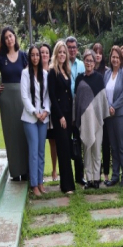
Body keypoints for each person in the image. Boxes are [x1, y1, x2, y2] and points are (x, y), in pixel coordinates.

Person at [0, 26, 28, 180]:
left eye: (11, 36)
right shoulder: (0, 57)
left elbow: (31, 76)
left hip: (22, 98)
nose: (9, 39)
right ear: (4, 40)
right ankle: (15, 172)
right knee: (10, 135)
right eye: (6, 37)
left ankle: (26, 171)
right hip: (6, 99)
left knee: (23, 132)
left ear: (15, 37)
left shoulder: (23, 56)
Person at [75, 49, 110, 189]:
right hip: (84, 120)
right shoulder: (79, 78)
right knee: (87, 150)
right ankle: (88, 179)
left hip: (97, 119)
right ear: (84, 61)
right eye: (87, 60)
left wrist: (100, 115)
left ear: (95, 62)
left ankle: (97, 178)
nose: (89, 63)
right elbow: (77, 102)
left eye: (91, 60)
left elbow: (102, 99)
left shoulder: (99, 78)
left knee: (96, 149)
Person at [21, 46, 50, 196]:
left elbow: (47, 96)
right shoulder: (25, 74)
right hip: (30, 118)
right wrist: (35, 112)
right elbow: (25, 97)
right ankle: (33, 184)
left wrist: (45, 112)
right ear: (29, 57)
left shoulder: (45, 74)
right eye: (32, 55)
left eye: (37, 55)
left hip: (43, 118)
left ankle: (40, 181)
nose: (35, 57)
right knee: (33, 151)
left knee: (40, 152)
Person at [47, 41, 76, 194]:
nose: (63, 55)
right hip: (60, 117)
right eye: (60, 52)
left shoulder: (66, 71)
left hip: (68, 114)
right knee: (63, 150)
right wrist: (60, 117)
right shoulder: (53, 72)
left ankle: (69, 183)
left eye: (64, 52)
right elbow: (52, 96)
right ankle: (66, 186)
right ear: (56, 54)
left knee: (67, 149)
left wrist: (70, 116)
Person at [103, 46, 123, 186]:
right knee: (113, 146)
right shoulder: (107, 74)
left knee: (121, 146)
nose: (115, 59)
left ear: (121, 59)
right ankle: (115, 176)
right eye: (113, 57)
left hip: (120, 114)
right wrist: (108, 107)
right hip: (109, 115)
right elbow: (103, 93)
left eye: (117, 57)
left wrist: (114, 106)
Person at [66, 36, 85, 183]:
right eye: (69, 47)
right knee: (66, 143)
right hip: (66, 108)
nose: (71, 50)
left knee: (79, 142)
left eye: (74, 47)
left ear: (77, 49)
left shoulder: (82, 65)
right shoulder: (61, 64)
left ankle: (80, 177)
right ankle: (68, 177)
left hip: (79, 109)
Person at [40, 43, 58, 181]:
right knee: (40, 142)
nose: (44, 55)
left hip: (51, 111)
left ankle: (54, 171)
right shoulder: (34, 71)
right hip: (38, 113)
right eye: (42, 52)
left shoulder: (53, 71)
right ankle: (39, 173)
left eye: (46, 52)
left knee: (53, 141)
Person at [93, 42, 110, 181]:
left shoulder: (107, 71)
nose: (97, 55)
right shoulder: (89, 70)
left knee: (105, 142)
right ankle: (95, 172)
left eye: (100, 53)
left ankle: (106, 173)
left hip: (104, 111)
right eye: (95, 52)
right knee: (94, 142)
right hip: (92, 111)